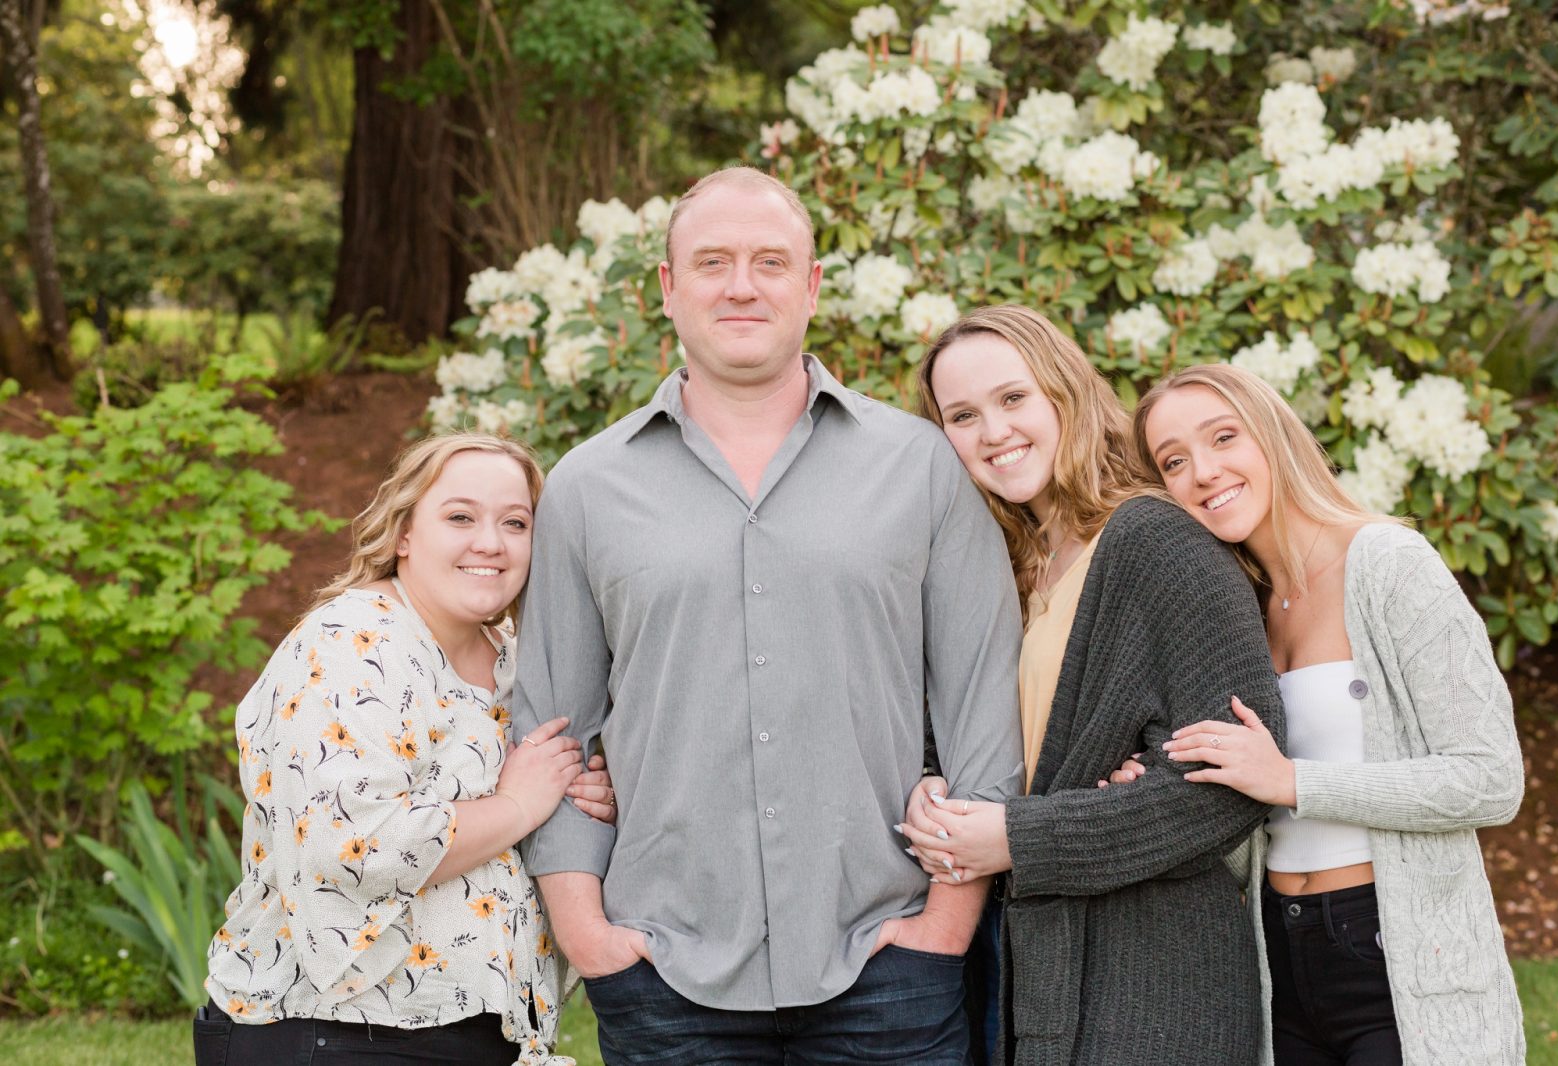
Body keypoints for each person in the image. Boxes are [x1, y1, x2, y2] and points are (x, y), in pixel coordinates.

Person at [512, 165, 1025, 1065]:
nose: (741, 285)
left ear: (812, 285)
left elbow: (983, 697)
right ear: (669, 289)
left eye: (770, 262)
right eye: (712, 262)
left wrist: (947, 921)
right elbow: (555, 725)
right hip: (664, 972)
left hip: (890, 958)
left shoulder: (920, 467)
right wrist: (588, 935)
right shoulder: (588, 487)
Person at [899, 305, 1285, 1066]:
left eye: (1014, 399)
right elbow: (991, 731)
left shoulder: (1154, 539)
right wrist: (930, 779)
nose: (994, 431)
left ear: (1064, 394)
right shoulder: (1010, 563)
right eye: (963, 415)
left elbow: (1229, 785)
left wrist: (1015, 837)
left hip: (1157, 978)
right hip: (1037, 965)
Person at [1127, 362, 1525, 1065]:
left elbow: (1491, 779)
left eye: (1224, 437)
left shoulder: (1388, 563)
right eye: (1174, 461)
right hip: (1277, 954)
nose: (1203, 472)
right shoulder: (1238, 606)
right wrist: (1156, 790)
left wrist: (1295, 782)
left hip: (1395, 953)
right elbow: (1246, 800)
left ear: (1274, 435)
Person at [197, 433, 617, 1066]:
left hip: (473, 1029)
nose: (490, 542)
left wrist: (576, 794)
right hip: (337, 1028)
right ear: (403, 534)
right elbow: (351, 846)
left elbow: (533, 804)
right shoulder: (349, 648)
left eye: (515, 523)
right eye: (459, 517)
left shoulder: (514, 661)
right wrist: (519, 805)